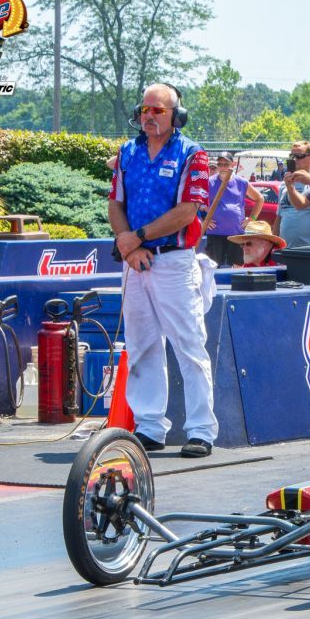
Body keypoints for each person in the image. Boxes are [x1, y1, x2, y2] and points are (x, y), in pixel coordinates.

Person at [109, 82, 217, 459]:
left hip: (173, 260)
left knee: (189, 344)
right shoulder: (128, 151)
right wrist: (129, 243)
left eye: (158, 110)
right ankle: (150, 426)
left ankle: (201, 430)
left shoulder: (192, 154)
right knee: (141, 345)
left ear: (176, 116)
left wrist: (136, 238)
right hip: (136, 261)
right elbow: (115, 203)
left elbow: (187, 212)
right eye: (145, 109)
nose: (150, 116)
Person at [202, 152, 264, 266]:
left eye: (226, 164)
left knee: (237, 266)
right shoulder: (209, 182)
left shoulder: (242, 182)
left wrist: (252, 219)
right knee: (213, 266)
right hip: (216, 232)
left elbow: (259, 199)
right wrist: (204, 221)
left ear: (233, 164)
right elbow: (197, 202)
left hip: (237, 234)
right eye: (220, 164)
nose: (222, 167)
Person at [276, 141, 310, 248]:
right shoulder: (285, 183)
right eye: (292, 156)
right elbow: (279, 217)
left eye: (299, 156)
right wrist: (274, 245)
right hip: (286, 248)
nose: (294, 159)